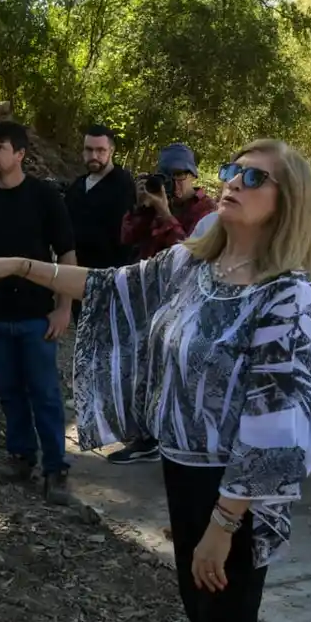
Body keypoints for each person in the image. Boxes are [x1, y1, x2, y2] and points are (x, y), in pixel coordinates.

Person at [0, 139, 311, 622]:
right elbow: (106, 286)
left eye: (254, 177)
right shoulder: (194, 265)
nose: (233, 181)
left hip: (234, 485)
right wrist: (20, 266)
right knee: (203, 608)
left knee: (227, 615)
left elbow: (276, 420)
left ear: (286, 200)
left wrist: (225, 522)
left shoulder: (286, 296)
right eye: (232, 169)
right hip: (183, 467)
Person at [0, 121, 77, 506]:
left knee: (45, 394)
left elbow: (67, 254)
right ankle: (21, 455)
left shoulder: (45, 198)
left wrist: (64, 308)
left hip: (36, 316)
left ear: (20, 154)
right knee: (9, 392)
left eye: (0, 148)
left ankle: (55, 468)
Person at [105, 142, 218, 465]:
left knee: (179, 371)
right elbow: (127, 237)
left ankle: (178, 435)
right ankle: (147, 437)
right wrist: (143, 206)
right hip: (150, 297)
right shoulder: (153, 202)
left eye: (182, 176)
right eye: (169, 176)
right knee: (143, 367)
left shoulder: (207, 211)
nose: (176, 183)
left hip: (188, 301)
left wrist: (166, 214)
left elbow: (191, 254)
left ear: (194, 176)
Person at [192, 210, 311, 311]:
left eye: (253, 178)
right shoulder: (209, 224)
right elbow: (185, 274)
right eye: (230, 172)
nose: (235, 183)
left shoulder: (288, 233)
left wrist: (302, 319)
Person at [63, 125, 137, 323]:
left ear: (111, 151)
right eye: (89, 150)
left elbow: (126, 237)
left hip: (108, 281)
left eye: (100, 150)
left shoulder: (123, 185)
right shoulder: (78, 185)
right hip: (77, 277)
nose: (94, 156)